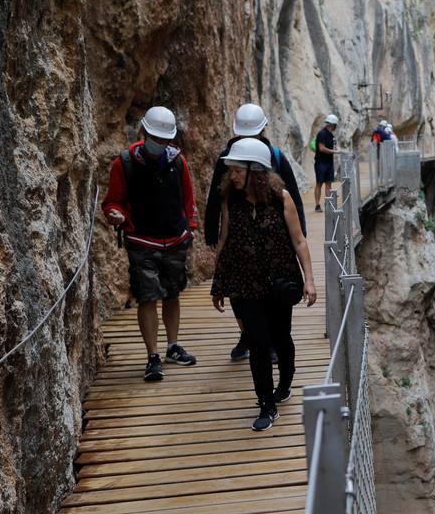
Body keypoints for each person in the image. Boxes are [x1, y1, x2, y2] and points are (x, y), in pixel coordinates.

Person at [211, 138, 317, 431]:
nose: (231, 175)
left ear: (254, 170)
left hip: (280, 281)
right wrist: (218, 284)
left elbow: (299, 240)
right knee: (258, 343)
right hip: (246, 284)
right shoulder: (230, 200)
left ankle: (286, 379)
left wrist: (308, 280)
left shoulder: (281, 198)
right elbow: (224, 241)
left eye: (236, 170)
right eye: (230, 169)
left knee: (282, 337)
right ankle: (266, 404)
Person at [101, 106, 199, 382]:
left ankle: (172, 346)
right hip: (142, 240)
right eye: (156, 137)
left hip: (175, 239)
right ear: (143, 132)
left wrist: (190, 229)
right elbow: (112, 200)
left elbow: (188, 198)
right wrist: (114, 215)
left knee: (172, 293)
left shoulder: (178, 161)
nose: (161, 144)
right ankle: (153, 355)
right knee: (147, 296)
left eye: (165, 139)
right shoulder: (125, 163)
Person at [204, 102, 306, 362]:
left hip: (270, 235)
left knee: (265, 291)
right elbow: (218, 195)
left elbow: (290, 195)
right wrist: (212, 232)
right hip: (239, 234)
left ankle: (264, 339)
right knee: (239, 294)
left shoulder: (274, 156)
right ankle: (248, 334)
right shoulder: (229, 157)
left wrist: (299, 232)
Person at [313, 113, 338, 213]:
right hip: (321, 163)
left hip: (328, 163)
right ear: (333, 125)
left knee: (328, 183)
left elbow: (333, 147)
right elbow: (321, 148)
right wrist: (334, 152)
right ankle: (317, 205)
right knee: (319, 183)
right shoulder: (322, 134)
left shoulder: (331, 135)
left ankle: (328, 204)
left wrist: (336, 149)